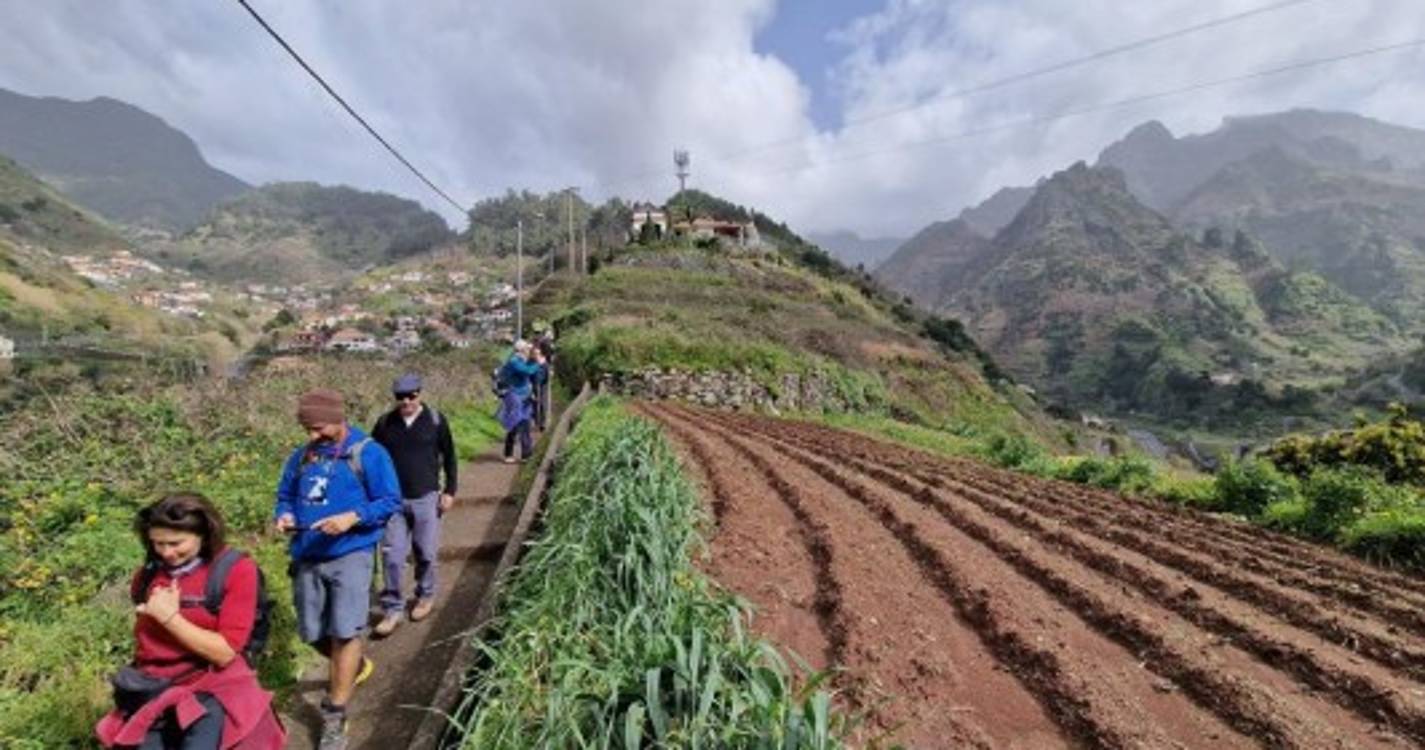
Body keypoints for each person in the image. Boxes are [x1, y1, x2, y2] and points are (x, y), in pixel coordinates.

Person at [95, 493, 286, 750]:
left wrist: (171, 619)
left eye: (176, 543)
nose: (166, 552)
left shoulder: (235, 571)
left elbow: (224, 652)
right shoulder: (147, 576)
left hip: (211, 687)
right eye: (157, 544)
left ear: (204, 535)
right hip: (154, 689)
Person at [273, 389, 400, 750]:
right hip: (307, 555)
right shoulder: (301, 458)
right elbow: (284, 496)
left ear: (338, 418)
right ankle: (354, 666)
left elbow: (390, 500)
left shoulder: (368, 453)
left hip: (351, 555)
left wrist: (353, 518)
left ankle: (335, 713)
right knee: (312, 632)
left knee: (345, 632)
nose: (312, 436)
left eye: (318, 428)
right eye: (307, 429)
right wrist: (283, 515)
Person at [369, 373, 458, 637]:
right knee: (392, 557)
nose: (406, 401)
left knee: (426, 552)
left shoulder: (436, 421)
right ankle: (393, 607)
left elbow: (450, 457)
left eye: (411, 396)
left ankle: (425, 594)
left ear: (420, 393)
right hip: (393, 501)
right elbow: (373, 460)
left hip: (426, 496)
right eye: (400, 397)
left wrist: (450, 490)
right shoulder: (385, 424)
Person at [496, 340, 544, 464]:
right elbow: (526, 371)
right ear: (521, 350)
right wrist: (538, 363)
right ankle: (508, 453)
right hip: (513, 394)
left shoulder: (524, 361)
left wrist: (531, 391)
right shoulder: (514, 362)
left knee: (526, 424)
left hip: (525, 395)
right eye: (527, 349)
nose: (529, 351)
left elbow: (530, 377)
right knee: (515, 424)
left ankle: (526, 455)